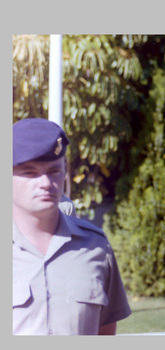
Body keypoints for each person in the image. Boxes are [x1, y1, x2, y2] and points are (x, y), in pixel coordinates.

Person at [12, 118, 131, 335]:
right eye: (30, 172)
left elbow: (104, 331)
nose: (46, 183)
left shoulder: (96, 247)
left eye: (54, 171)